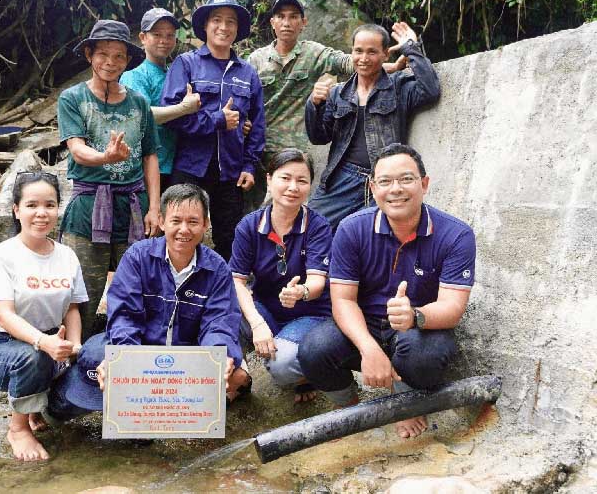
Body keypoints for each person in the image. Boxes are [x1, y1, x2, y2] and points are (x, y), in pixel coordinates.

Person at [298, 144, 476, 439]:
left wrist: (415, 315)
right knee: (314, 350)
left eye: (406, 179)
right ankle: (351, 408)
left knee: (424, 356)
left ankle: (405, 402)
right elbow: (342, 300)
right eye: (385, 181)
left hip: (418, 329)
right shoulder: (351, 228)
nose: (396, 189)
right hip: (365, 323)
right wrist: (369, 348)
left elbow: (453, 308)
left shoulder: (456, 235)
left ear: (424, 184)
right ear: (373, 187)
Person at [47, 184, 251, 418]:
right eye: (176, 221)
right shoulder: (137, 257)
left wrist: (218, 356)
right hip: (141, 351)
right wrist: (127, 360)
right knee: (93, 362)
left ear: (205, 224)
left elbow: (219, 322)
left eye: (193, 222)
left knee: (229, 367)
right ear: (162, 222)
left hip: (186, 355)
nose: (184, 229)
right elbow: (124, 315)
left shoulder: (217, 269)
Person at [245, 0, 405, 211]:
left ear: (304, 22)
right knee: (249, 210)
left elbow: (355, 63)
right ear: (272, 22)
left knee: (279, 209)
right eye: (281, 17)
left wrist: (391, 67)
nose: (286, 22)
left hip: (291, 149)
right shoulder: (255, 60)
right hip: (256, 145)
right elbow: (242, 99)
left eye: (293, 17)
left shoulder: (314, 53)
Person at [57, 19, 160, 341]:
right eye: (103, 54)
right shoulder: (72, 98)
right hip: (88, 206)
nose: (110, 63)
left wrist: (154, 207)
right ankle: (73, 358)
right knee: (81, 294)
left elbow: (150, 156)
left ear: (127, 61)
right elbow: (76, 149)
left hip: (133, 206)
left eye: (119, 56)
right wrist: (105, 158)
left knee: (139, 290)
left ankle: (133, 361)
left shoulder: (139, 102)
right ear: (89, 54)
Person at [0, 171, 87, 461]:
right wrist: (44, 343)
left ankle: (36, 405)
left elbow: (72, 308)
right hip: (1, 347)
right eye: (32, 205)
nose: (42, 213)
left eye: (49, 205)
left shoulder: (67, 256)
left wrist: (73, 347)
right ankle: (18, 428)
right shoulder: (0, 257)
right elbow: (5, 315)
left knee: (88, 364)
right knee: (32, 356)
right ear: (16, 210)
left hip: (53, 344)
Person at [305, 22, 440, 231]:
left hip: (383, 179)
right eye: (358, 51)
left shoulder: (398, 87)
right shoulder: (337, 93)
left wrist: (411, 47)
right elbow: (318, 137)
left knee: (372, 240)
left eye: (372, 52)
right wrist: (314, 104)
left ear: (386, 54)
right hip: (342, 178)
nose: (364, 59)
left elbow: (430, 90)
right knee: (309, 228)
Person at [161, 0, 266, 262]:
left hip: (230, 171)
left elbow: (257, 125)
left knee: (229, 239)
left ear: (237, 29)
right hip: (189, 166)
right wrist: (216, 120)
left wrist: (249, 165)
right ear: (205, 26)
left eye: (230, 21)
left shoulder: (247, 73)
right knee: (179, 234)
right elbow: (171, 117)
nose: (224, 27)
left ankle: (224, 298)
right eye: (216, 20)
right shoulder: (186, 64)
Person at [230, 148, 333, 402]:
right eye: (285, 178)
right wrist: (257, 323)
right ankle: (237, 379)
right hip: (266, 309)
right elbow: (237, 281)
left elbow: (318, 281)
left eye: (302, 180)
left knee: (281, 365)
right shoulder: (249, 226)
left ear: (310, 185)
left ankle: (306, 375)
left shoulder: (318, 226)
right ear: (269, 179)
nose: (292, 187)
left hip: (310, 314)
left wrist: (302, 291)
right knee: (227, 313)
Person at [120, 8, 202, 193]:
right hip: (148, 165)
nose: (164, 41)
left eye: (170, 35)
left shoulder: (178, 74)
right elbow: (141, 116)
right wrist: (183, 108)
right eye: (157, 35)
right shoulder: (134, 76)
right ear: (143, 37)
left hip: (179, 164)